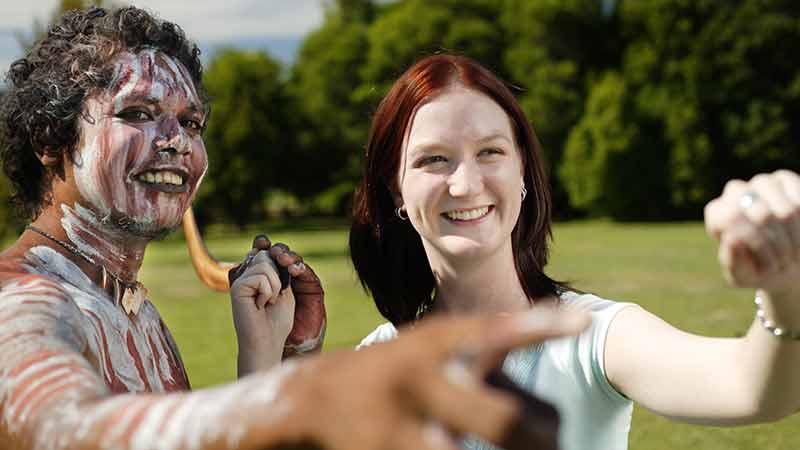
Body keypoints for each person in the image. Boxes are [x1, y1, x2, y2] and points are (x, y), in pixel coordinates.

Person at [0, 7, 591, 450]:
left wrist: (282, 356)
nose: (177, 141)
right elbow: (64, 426)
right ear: (51, 142)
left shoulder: (129, 307)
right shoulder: (22, 300)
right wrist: (297, 398)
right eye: (138, 114)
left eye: (192, 121)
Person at [350, 53, 800, 450]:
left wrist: (787, 289)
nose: (466, 184)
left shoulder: (592, 337)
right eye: (433, 159)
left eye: (490, 152)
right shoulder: (373, 364)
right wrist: (279, 354)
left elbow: (750, 389)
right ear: (396, 190)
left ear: (521, 170)